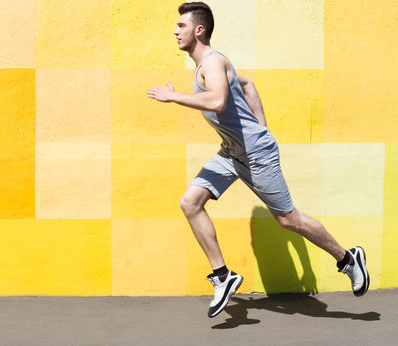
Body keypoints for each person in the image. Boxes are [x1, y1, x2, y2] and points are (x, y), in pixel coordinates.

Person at [147, 2, 369, 318]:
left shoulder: (213, 61)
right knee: (190, 202)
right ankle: (222, 276)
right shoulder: (207, 67)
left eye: (181, 25)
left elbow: (219, 101)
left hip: (256, 155)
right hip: (232, 153)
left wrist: (174, 97)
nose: (175, 31)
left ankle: (348, 259)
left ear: (199, 30)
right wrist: (261, 123)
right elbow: (248, 84)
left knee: (288, 219)